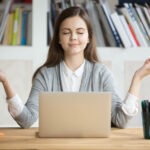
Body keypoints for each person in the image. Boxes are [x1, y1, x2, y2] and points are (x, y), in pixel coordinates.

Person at [0, 7, 150, 129]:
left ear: (89, 37)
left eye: (80, 32)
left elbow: (120, 120)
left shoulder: (101, 74)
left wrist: (138, 78)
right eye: (66, 32)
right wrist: (5, 81)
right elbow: (27, 120)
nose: (73, 37)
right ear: (58, 38)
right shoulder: (45, 75)